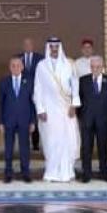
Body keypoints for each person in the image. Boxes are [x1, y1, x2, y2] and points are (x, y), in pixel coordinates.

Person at [33, 37, 80, 182]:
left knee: (68, 140)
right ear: (48, 48)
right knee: (51, 141)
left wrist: (74, 105)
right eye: (51, 47)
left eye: (56, 47)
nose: (54, 49)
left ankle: (67, 172)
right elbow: (38, 89)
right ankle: (51, 172)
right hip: (49, 110)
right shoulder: (41, 66)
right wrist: (40, 109)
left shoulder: (69, 64)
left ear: (60, 48)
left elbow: (75, 85)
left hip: (66, 109)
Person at [78, 56, 107, 183]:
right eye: (93, 67)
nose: (95, 69)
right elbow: (78, 100)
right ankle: (86, 173)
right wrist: (81, 117)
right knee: (86, 148)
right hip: (87, 121)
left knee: (103, 148)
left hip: (104, 121)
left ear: (102, 67)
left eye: (98, 67)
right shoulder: (83, 81)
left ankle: (104, 172)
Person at [0, 56, 35, 183]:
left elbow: (32, 103)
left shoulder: (29, 81)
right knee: (8, 148)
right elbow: (1, 104)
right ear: (10, 67)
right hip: (8, 120)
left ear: (22, 67)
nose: (15, 68)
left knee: (24, 148)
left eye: (18, 65)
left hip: (25, 120)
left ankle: (25, 172)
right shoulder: (4, 82)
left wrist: (33, 121)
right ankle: (8, 173)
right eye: (13, 66)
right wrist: (1, 122)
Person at [21, 37, 44, 150]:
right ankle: (24, 142)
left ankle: (35, 143)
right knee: (25, 117)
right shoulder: (18, 58)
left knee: (35, 117)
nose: (27, 46)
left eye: (29, 44)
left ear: (33, 46)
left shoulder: (40, 58)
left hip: (37, 92)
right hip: (23, 93)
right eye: (25, 44)